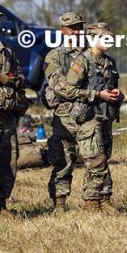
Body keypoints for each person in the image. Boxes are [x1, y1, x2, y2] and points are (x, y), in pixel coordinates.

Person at [64, 22, 124, 212]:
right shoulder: (82, 61)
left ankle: (103, 199)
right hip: (88, 117)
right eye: (104, 37)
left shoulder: (110, 62)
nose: (108, 41)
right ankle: (91, 203)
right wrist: (97, 95)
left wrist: (117, 95)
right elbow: (69, 90)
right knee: (96, 161)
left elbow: (111, 86)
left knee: (103, 158)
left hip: (106, 117)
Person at [0, 3, 28, 216]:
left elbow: (20, 75)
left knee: (7, 162)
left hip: (6, 115)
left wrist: (15, 80)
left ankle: (0, 205)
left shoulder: (7, 52)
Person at [42, 11, 86, 212]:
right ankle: (59, 203)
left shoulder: (89, 53)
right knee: (64, 160)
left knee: (96, 159)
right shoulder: (54, 56)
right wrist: (91, 92)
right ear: (63, 31)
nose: (76, 32)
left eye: (79, 27)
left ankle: (95, 202)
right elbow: (60, 86)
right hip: (64, 115)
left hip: (88, 113)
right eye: (72, 28)